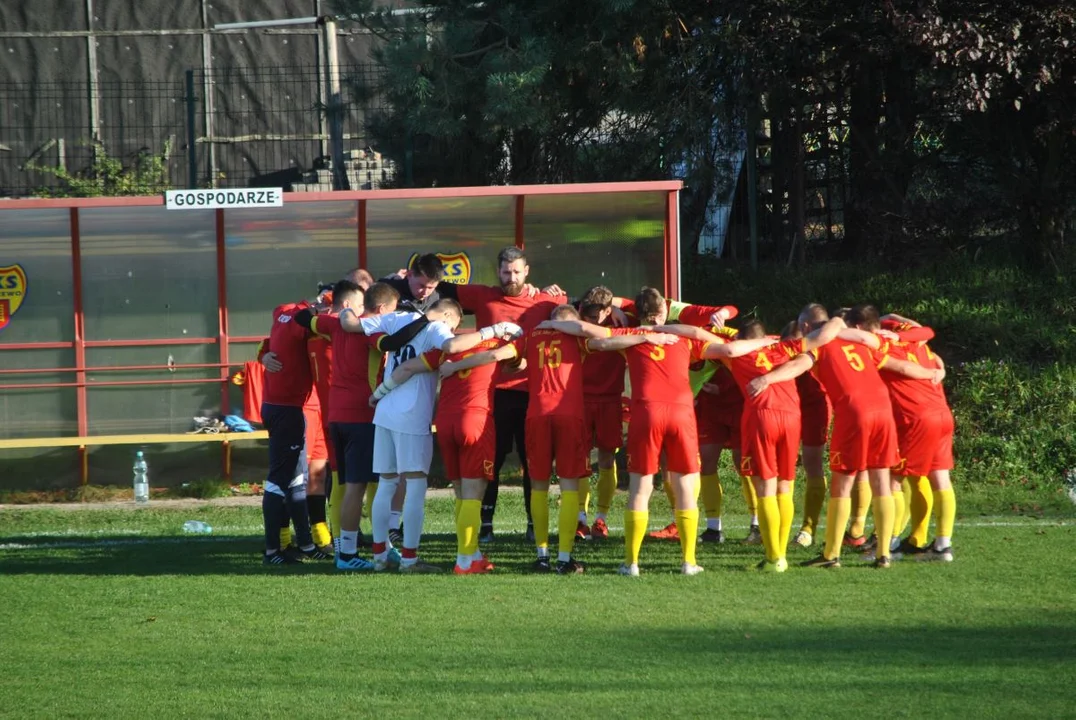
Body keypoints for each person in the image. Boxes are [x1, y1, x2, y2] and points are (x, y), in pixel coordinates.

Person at [446, 305, 679, 573]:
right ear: (571, 322)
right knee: (569, 487)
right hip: (569, 415)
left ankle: (542, 556)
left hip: (536, 416)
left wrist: (457, 367)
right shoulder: (576, 337)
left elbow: (497, 355)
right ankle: (565, 558)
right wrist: (645, 336)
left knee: (539, 487)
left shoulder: (531, 335)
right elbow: (608, 342)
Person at [579, 287, 775, 576]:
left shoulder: (631, 339)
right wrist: (765, 342)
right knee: (685, 487)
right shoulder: (685, 338)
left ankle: (631, 563)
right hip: (682, 413)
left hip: (646, 413)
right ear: (663, 312)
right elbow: (730, 349)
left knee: (640, 487)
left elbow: (592, 339)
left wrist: (640, 334)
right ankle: (688, 562)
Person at [747, 304, 940, 569]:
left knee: (843, 483)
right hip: (883, 409)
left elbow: (797, 366)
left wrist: (767, 379)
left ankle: (831, 554)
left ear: (805, 327)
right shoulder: (858, 343)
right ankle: (884, 553)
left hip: (853, 411)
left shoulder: (817, 345)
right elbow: (901, 366)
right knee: (881, 480)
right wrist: (934, 372)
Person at [348, 299, 522, 572]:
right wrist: (494, 330)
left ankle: (380, 556)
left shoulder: (399, 319)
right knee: (416, 486)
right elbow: (455, 347)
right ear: (449, 315)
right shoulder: (439, 329)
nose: (453, 331)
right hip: (414, 414)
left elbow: (354, 326)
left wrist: (378, 394)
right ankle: (410, 559)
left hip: (385, 411)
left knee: (386, 482)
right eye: (454, 324)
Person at [668, 316, 845, 571]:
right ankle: (781, 553)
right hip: (792, 417)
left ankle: (774, 558)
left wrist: (659, 328)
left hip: (762, 416)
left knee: (765, 488)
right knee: (785, 487)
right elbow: (825, 335)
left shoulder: (737, 354)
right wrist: (839, 319)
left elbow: (696, 333)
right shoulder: (784, 347)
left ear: (741, 339)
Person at [440, 247, 563, 543]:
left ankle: (534, 524)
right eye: (506, 272)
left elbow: (578, 312)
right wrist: (402, 280)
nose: (512, 277)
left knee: (532, 461)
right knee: (489, 462)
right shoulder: (483, 295)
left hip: (530, 395)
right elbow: (440, 289)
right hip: (490, 394)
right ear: (498, 272)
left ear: (527, 271)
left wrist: (618, 307)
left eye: (517, 271)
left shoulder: (546, 300)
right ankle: (485, 525)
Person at [298, 281, 404, 571]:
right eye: (393, 311)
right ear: (381, 309)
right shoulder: (372, 330)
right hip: (362, 417)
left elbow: (303, 318)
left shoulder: (336, 325)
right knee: (364, 486)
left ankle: (378, 549)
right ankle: (347, 555)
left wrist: (336, 314)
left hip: (337, 416)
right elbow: (391, 344)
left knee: (353, 486)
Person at [258, 300, 333, 566]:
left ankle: (305, 543)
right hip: (289, 409)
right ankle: (272, 550)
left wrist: (263, 352)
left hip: (281, 406)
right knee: (280, 480)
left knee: (295, 480)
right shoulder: (303, 323)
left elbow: (274, 335)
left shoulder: (283, 314)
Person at [576, 287, 626, 539]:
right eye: (588, 316)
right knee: (580, 461)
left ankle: (601, 519)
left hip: (610, 401)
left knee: (607, 460)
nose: (591, 322)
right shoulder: (577, 322)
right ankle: (580, 519)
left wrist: (618, 307)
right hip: (581, 401)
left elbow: (644, 304)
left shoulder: (623, 326)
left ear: (608, 311)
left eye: (598, 316)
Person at [786, 304, 834, 548]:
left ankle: (807, 528)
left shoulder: (817, 346)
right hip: (811, 406)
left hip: (810, 406)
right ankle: (803, 528)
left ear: (804, 326)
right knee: (810, 466)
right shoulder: (837, 339)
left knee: (804, 466)